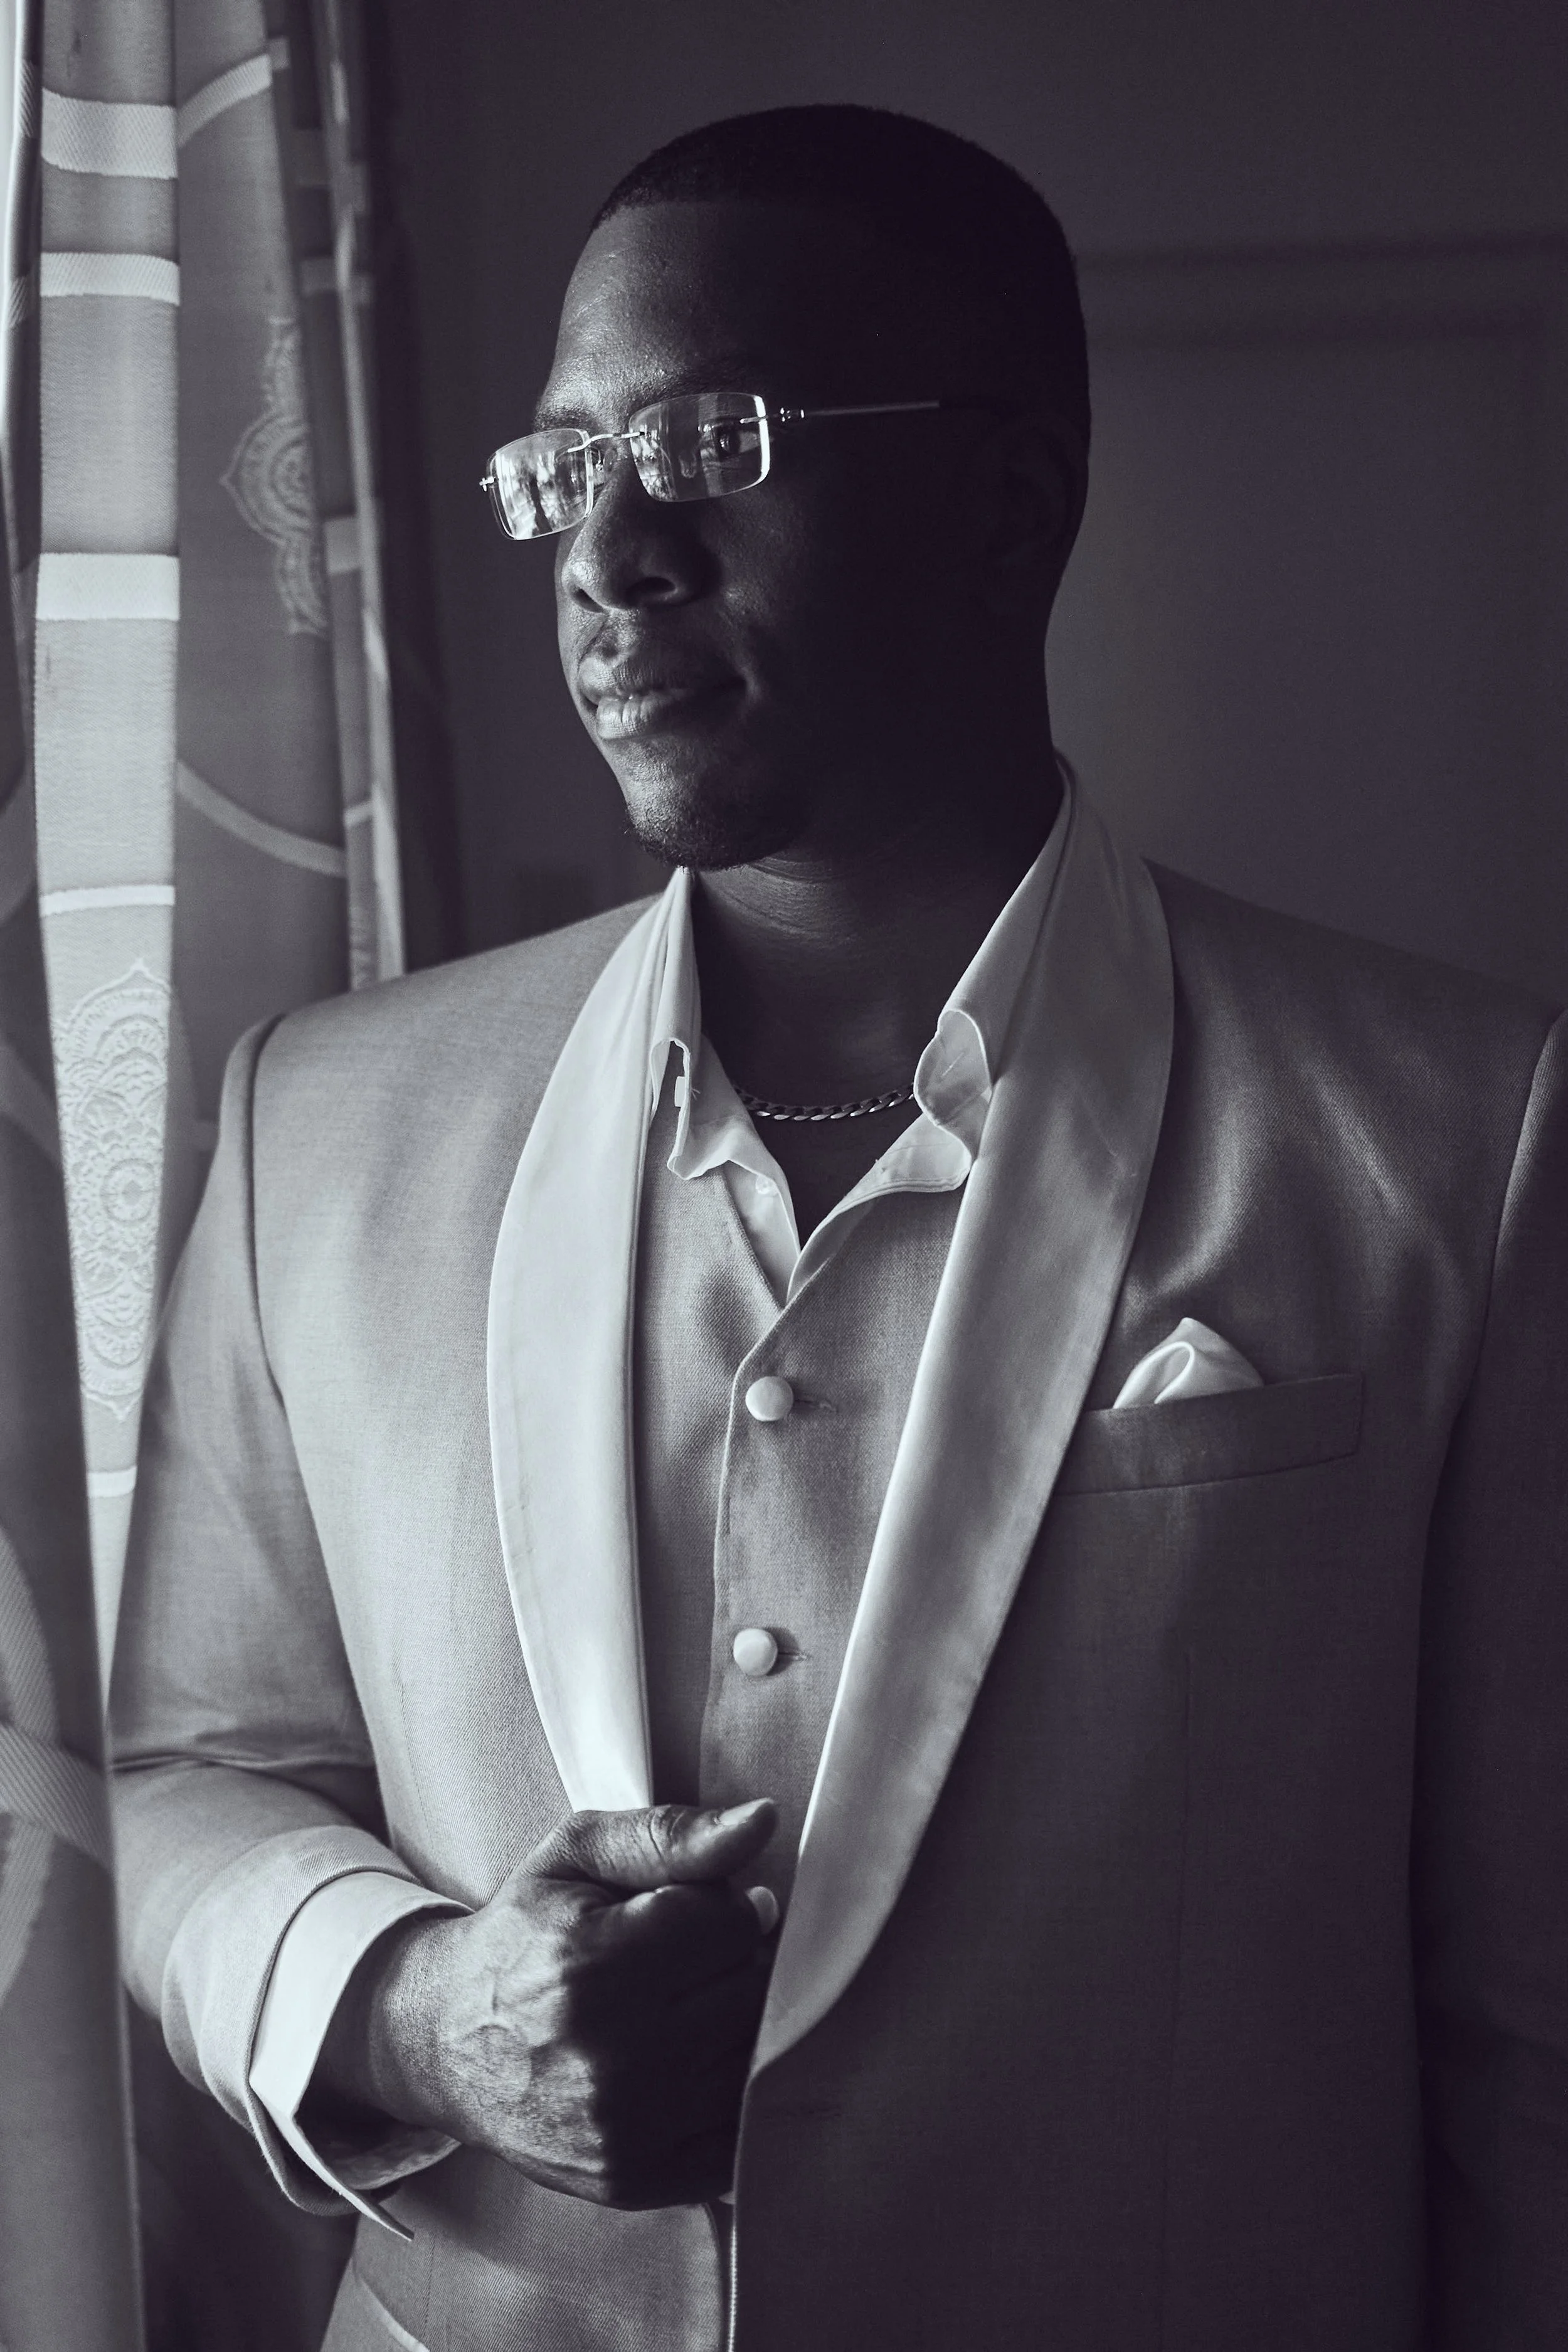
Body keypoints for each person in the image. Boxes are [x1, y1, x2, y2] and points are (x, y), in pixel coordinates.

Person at [110, 105, 1568, 2352]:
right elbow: (191, 1775)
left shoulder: (1464, 1133)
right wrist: (419, 2008)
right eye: (558, 470)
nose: (604, 560)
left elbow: (1525, 2021)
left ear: (1009, 499)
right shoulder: (319, 1119)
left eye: (701, 445)